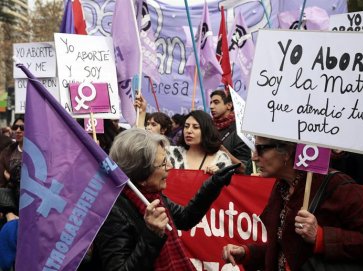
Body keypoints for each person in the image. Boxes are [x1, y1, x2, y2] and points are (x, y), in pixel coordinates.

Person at [222, 136, 363, 271]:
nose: (254, 157)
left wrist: (321, 237)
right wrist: (247, 253)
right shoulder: (282, 186)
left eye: (261, 149)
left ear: (286, 153)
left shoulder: (337, 185)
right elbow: (287, 250)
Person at [91, 129, 239, 271]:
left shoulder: (152, 195)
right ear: (142, 174)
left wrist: (213, 184)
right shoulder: (113, 212)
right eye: (162, 163)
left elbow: (186, 218)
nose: (170, 166)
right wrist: (152, 234)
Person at [167, 110, 232, 173]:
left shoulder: (221, 159)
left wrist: (218, 176)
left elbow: (228, 182)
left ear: (206, 131)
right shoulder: (171, 154)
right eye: (186, 126)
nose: (188, 131)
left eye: (195, 127)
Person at [210, 90, 251, 172]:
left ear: (229, 105)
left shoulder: (240, 129)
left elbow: (244, 168)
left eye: (216, 102)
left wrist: (224, 152)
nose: (211, 106)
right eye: (210, 103)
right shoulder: (209, 128)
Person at [0, 118, 25, 198]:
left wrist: (11, 178)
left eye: (22, 127)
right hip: (10, 202)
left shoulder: (37, 154)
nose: (18, 130)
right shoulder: (6, 153)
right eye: (15, 127)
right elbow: (2, 183)